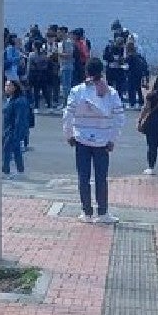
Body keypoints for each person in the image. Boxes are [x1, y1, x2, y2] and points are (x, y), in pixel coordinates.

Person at [62, 57, 126, 224]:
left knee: (83, 177)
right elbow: (120, 118)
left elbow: (67, 116)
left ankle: (87, 213)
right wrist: (112, 139)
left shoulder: (77, 91)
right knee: (101, 177)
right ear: (101, 72)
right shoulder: (111, 93)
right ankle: (103, 213)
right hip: (102, 142)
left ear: (86, 71)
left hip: (81, 140)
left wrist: (69, 135)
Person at [2, 79, 30, 179]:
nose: (6, 88)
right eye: (6, 85)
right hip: (8, 129)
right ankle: (19, 171)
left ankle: (5, 171)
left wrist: (17, 133)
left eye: (9, 86)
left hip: (13, 130)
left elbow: (20, 119)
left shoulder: (20, 101)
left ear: (15, 87)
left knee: (7, 149)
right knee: (15, 150)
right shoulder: (11, 99)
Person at [137, 75, 158, 175]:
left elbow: (146, 108)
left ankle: (151, 167)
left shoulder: (151, 96)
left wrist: (140, 121)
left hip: (152, 122)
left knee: (152, 146)